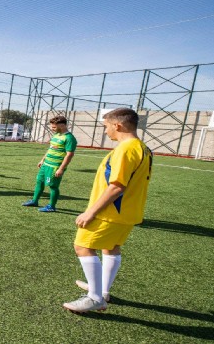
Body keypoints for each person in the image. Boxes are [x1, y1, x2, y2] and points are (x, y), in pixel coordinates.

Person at [63, 108, 153, 313]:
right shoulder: (143, 148)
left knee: (82, 246)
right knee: (110, 247)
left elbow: (117, 186)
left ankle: (95, 298)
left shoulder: (125, 149)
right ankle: (102, 290)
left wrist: (91, 212)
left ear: (117, 125)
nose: (106, 132)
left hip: (110, 213)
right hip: (129, 212)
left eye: (106, 127)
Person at [22, 116, 77, 212]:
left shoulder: (69, 138)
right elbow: (51, 149)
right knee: (39, 181)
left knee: (53, 186)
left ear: (62, 125)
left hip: (55, 166)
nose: (52, 129)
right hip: (46, 164)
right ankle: (34, 201)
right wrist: (42, 160)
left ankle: (51, 206)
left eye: (54, 127)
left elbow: (69, 155)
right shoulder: (56, 135)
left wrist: (61, 168)